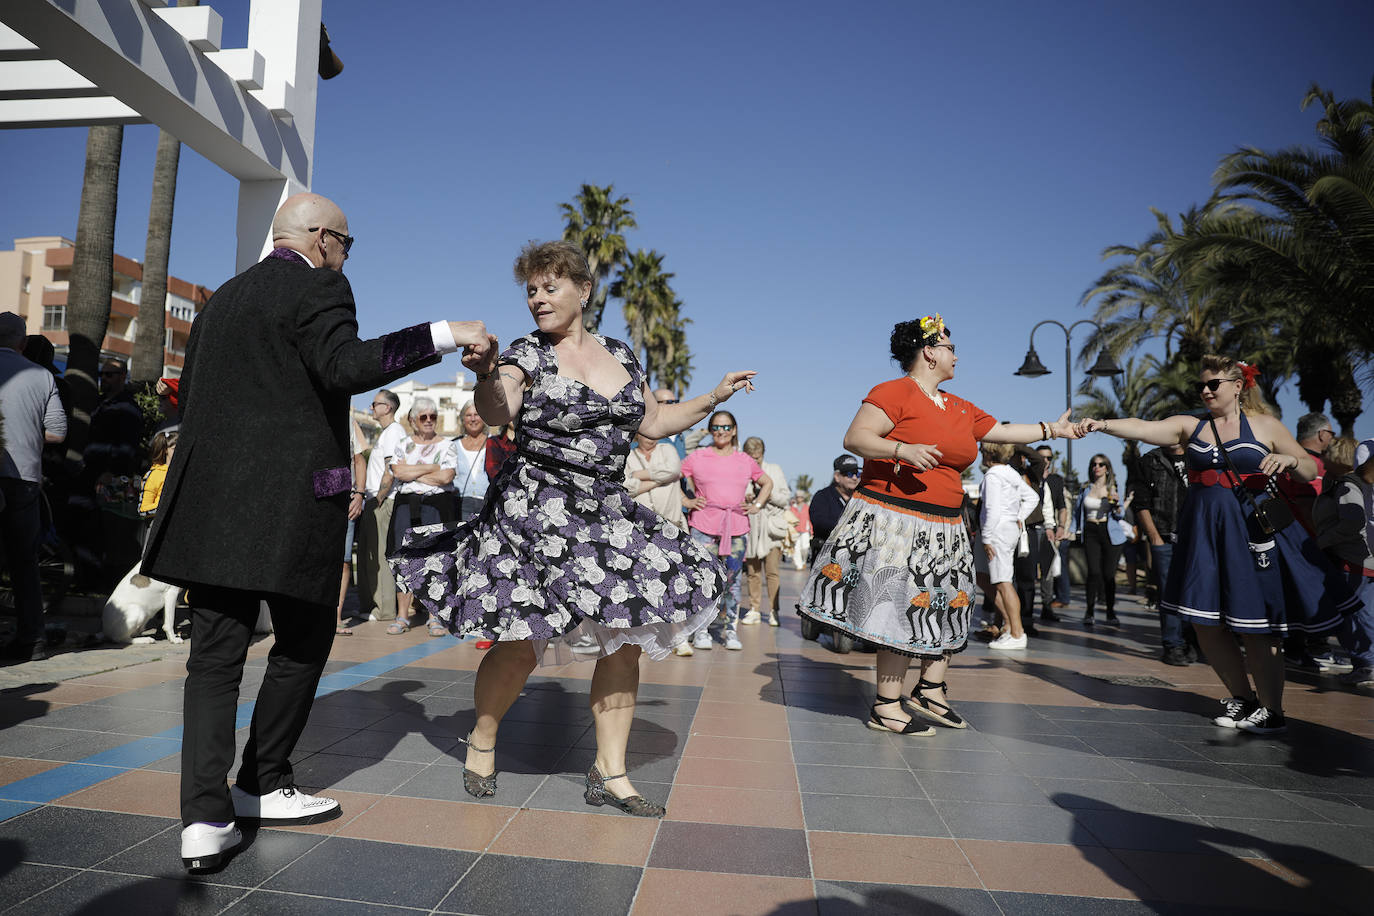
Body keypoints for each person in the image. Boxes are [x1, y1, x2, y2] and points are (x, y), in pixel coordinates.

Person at [142, 192, 492, 872]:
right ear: (324, 238)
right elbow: (347, 367)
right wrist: (445, 331)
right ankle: (263, 781)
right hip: (288, 511)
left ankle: (203, 819)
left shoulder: (221, 300)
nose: (346, 256)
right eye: (347, 244)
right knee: (304, 640)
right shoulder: (320, 285)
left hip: (211, 506)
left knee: (213, 659)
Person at [391, 239, 757, 817]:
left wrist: (714, 396)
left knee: (627, 637)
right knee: (520, 645)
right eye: (531, 289)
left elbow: (656, 421)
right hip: (537, 511)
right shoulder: (525, 356)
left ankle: (610, 772)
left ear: (584, 291)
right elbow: (497, 411)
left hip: (606, 511)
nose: (538, 298)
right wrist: (487, 372)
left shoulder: (619, 351)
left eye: (550, 286)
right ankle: (482, 739)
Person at [797, 315, 1081, 736]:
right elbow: (856, 437)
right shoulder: (893, 392)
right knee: (897, 608)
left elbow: (1000, 430)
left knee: (948, 602)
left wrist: (1051, 430)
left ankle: (930, 689)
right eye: (949, 346)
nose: (956, 354)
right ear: (928, 351)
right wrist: (901, 449)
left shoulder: (958, 406)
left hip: (945, 523)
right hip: (897, 518)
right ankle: (886, 704)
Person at [1077, 356, 1358, 734]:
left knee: (1258, 627)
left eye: (1214, 385)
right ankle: (1243, 699)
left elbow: (1310, 469)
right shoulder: (1191, 426)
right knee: (1205, 623)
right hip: (1203, 533)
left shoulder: (1264, 425)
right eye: (1202, 386)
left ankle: (1272, 710)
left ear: (1238, 385)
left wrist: (1288, 459)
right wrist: (1101, 425)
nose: (1205, 391)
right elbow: (1144, 428)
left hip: (1253, 534)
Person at [0, 311, 67, 662]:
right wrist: (25, 435)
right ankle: (33, 640)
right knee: (25, 563)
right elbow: (57, 432)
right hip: (25, 478)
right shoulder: (42, 375)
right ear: (23, 343)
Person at [680, 411, 773, 650]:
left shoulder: (744, 460)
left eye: (726, 427)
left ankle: (730, 630)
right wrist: (687, 502)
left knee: (732, 580)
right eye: (716, 427)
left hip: (737, 526)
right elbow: (673, 478)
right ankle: (700, 631)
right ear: (711, 430)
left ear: (734, 430)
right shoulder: (697, 456)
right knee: (703, 579)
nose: (721, 431)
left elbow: (767, 483)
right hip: (703, 524)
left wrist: (757, 506)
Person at [379, 397, 457, 636]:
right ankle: (402, 616)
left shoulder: (447, 445)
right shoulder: (403, 443)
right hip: (406, 505)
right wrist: (432, 467)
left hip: (436, 505)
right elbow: (398, 472)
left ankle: (434, 617)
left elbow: (446, 478)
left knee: (434, 559)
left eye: (433, 416)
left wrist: (414, 473)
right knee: (403, 558)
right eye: (423, 417)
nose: (429, 421)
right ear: (413, 420)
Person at [1313, 438, 1374, 689]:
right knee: (1360, 613)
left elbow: (1352, 522)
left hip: (1351, 560)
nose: (1323, 454)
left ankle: (1366, 664)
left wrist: (1324, 541)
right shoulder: (1351, 483)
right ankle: (1364, 665)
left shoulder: (1348, 486)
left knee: (1355, 614)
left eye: (1327, 451)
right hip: (1356, 558)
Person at [1134, 440, 1197, 665]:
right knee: (1168, 592)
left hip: (1195, 538)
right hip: (1164, 536)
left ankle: (1192, 641)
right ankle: (1173, 645)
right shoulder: (1150, 461)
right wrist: (1155, 538)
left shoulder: (1198, 457)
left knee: (1195, 591)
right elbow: (1140, 503)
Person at [980, 441, 1039, 649]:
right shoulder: (1010, 472)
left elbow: (992, 509)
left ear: (989, 453)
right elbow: (1032, 497)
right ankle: (1013, 630)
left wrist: (986, 538)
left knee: (1004, 582)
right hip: (1009, 529)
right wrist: (1019, 517)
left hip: (997, 531)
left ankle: (1016, 632)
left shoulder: (993, 475)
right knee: (1002, 579)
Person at [357, 389, 405, 622]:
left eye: (374, 404)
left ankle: (384, 609)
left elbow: (390, 471)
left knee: (380, 555)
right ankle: (373, 605)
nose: (371, 408)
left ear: (388, 407)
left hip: (382, 502)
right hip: (375, 500)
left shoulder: (394, 432)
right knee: (370, 556)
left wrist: (378, 499)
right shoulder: (386, 433)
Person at [1071, 453, 1130, 627]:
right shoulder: (1085, 489)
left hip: (1109, 532)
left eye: (1101, 464)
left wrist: (1117, 505)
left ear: (1107, 468)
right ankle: (1089, 611)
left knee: (1108, 575)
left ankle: (1110, 612)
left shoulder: (1112, 489)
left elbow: (1120, 516)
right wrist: (1071, 531)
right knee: (1093, 572)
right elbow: (1077, 513)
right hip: (1090, 531)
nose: (1097, 467)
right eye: (1094, 464)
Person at [741, 436, 791, 627]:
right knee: (752, 572)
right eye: (751, 457)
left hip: (771, 530)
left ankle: (773, 610)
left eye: (758, 457)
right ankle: (754, 609)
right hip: (751, 528)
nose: (755, 460)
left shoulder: (774, 470)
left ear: (763, 454)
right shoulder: (742, 471)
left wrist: (766, 494)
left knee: (772, 572)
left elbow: (785, 498)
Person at [336, 417, 368, 636]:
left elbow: (359, 458)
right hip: (313, 499)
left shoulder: (348, 420)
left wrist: (359, 494)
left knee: (344, 560)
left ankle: (335, 617)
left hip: (345, 498)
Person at [1033, 444, 1070, 619]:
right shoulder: (1028, 477)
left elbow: (1062, 506)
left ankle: (1047, 607)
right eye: (1042, 458)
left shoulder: (1056, 480)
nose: (1046, 461)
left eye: (1049, 458)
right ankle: (1025, 610)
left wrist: (1061, 527)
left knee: (1048, 570)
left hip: (1049, 529)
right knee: (1028, 571)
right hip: (1030, 529)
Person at [810, 454, 861, 561]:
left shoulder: (861, 499)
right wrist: (847, 529)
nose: (855, 478)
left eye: (857, 473)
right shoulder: (822, 496)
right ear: (837, 476)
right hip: (825, 556)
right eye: (850, 474)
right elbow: (819, 522)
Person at [452, 400, 492, 522]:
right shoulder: (453, 445)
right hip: (460, 503)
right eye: (468, 415)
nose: (473, 419)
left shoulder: (495, 443)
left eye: (477, 414)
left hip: (488, 503)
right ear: (463, 419)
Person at [790, 494, 812, 570]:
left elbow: (810, 519)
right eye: (798, 497)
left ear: (803, 498)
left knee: (805, 547)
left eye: (801, 497)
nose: (799, 498)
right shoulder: (793, 507)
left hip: (805, 530)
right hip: (795, 530)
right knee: (796, 548)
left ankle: (803, 562)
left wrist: (811, 530)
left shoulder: (807, 507)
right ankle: (799, 565)